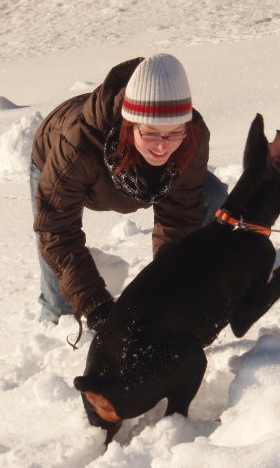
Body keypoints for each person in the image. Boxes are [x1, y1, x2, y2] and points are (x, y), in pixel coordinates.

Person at [30, 54, 227, 331]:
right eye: (151, 133)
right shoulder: (77, 146)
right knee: (61, 294)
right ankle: (52, 333)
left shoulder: (191, 139)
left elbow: (179, 219)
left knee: (212, 196)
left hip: (131, 175)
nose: (162, 146)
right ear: (129, 125)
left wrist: (165, 290)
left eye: (174, 132)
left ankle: (200, 273)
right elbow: (57, 230)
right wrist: (94, 302)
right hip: (59, 161)